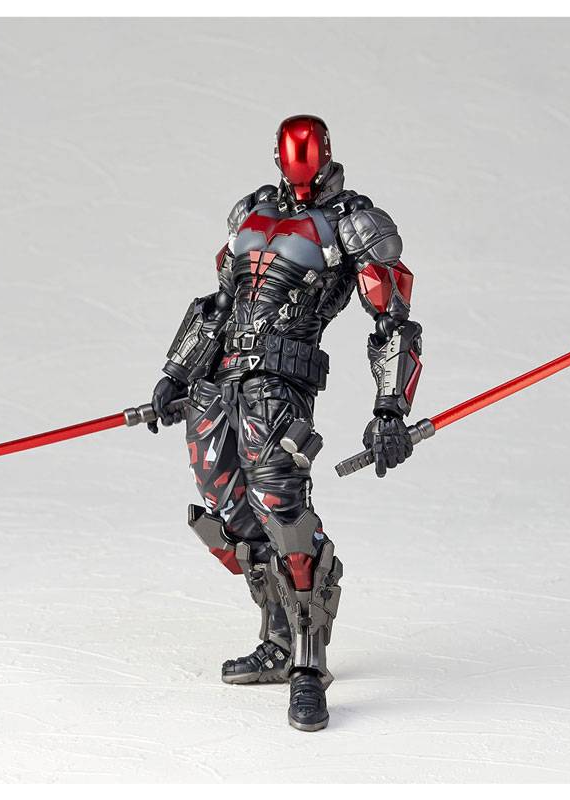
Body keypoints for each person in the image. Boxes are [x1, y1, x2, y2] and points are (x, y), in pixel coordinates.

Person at [149, 115, 423, 731]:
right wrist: (176, 372)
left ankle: (307, 665)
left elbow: (393, 321)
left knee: (283, 508)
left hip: (280, 384)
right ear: (277, 155)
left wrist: (390, 409)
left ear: (325, 154)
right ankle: (275, 641)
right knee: (229, 509)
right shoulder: (251, 211)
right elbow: (220, 303)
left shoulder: (352, 221)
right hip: (218, 381)